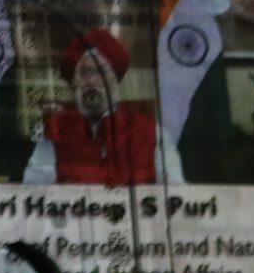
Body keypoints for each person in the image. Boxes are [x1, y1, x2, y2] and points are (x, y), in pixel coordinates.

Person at [24, 28, 156, 186]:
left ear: (116, 79)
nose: (92, 81)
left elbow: (176, 190)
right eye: (84, 72)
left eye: (102, 72)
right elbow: (34, 189)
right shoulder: (54, 131)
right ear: (73, 82)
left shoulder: (150, 131)